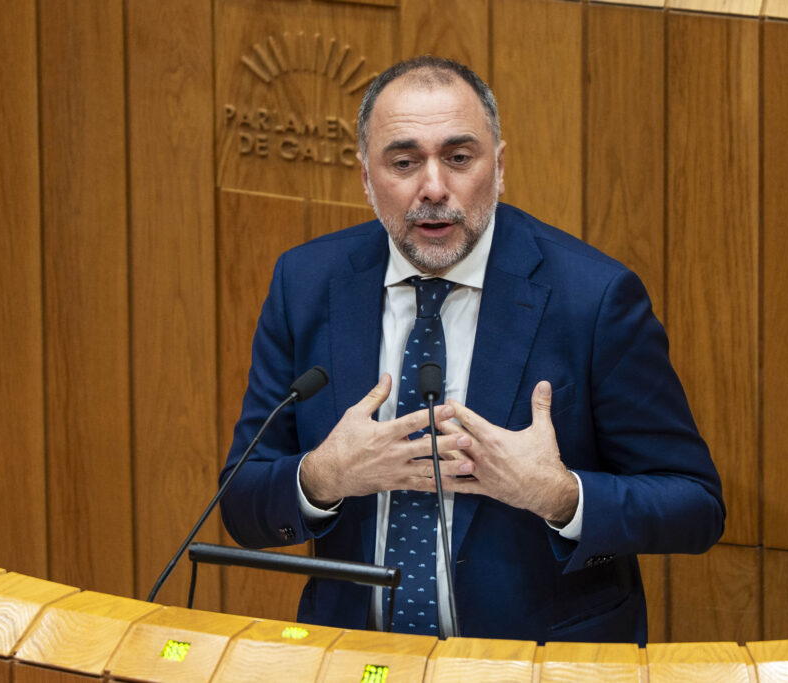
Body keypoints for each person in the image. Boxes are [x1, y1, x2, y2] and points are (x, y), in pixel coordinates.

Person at [219, 55, 724, 645]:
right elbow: (242, 503)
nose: (434, 189)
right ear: (365, 178)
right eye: (404, 162)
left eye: (459, 158)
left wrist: (561, 496)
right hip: (356, 657)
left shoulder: (593, 298)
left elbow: (695, 506)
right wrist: (323, 477)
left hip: (535, 661)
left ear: (499, 167)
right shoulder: (306, 284)